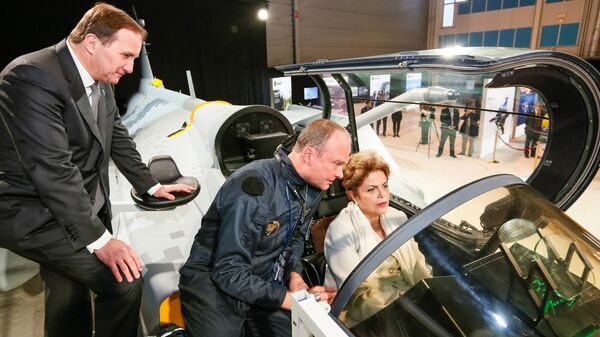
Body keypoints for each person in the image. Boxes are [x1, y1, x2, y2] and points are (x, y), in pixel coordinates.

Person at [0, 4, 194, 337]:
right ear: (92, 43)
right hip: (37, 213)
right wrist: (101, 240)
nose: (130, 68)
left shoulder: (100, 75)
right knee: (124, 282)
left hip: (75, 208)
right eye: (126, 56)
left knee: (67, 293)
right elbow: (52, 169)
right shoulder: (30, 76)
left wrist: (149, 186)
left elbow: (116, 134)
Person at [179, 119, 352, 337]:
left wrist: (294, 275)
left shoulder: (312, 189)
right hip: (213, 280)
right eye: (336, 164)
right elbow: (228, 271)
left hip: (261, 279)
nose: (340, 174)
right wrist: (289, 301)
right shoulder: (253, 186)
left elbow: (296, 238)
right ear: (308, 155)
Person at [323, 151, 431, 327]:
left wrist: (430, 296)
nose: (382, 195)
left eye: (385, 186)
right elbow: (358, 295)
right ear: (353, 195)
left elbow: (418, 265)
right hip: (364, 316)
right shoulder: (340, 231)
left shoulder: (398, 217)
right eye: (371, 189)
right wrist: (409, 312)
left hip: (410, 302)